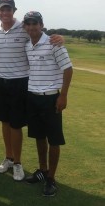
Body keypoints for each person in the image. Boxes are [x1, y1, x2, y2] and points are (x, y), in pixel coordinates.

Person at [0, 0, 64, 181]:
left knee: (15, 124)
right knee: (4, 122)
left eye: (8, 9)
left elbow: (41, 36)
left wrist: (59, 37)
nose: (5, 12)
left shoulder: (23, 29)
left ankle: (17, 163)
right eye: (2, 9)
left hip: (19, 82)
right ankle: (8, 157)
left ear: (14, 11)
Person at [23, 11, 73, 196]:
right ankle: (43, 170)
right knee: (39, 136)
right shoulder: (28, 45)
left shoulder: (54, 43)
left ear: (41, 24)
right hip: (33, 97)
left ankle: (51, 178)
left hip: (51, 97)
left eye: (35, 23)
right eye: (28, 23)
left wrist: (63, 96)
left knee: (53, 139)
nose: (31, 27)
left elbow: (68, 69)